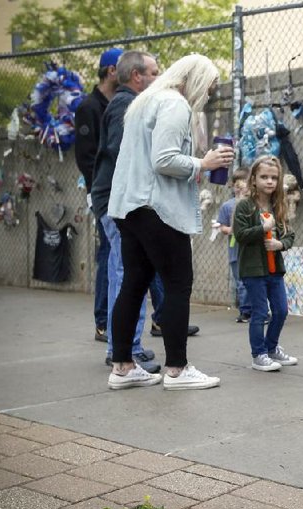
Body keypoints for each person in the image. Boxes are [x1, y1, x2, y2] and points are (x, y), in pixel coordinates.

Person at [106, 54, 232, 391]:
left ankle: (122, 366)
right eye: (208, 86)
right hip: (156, 208)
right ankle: (177, 368)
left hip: (128, 205)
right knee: (178, 283)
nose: (208, 93)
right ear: (194, 80)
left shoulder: (144, 102)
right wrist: (202, 163)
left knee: (134, 282)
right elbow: (164, 160)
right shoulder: (175, 104)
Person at [91, 50, 161, 373]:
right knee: (126, 272)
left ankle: (121, 346)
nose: (158, 79)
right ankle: (125, 348)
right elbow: (124, 154)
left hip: (111, 200)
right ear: (137, 76)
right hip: (116, 202)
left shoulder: (123, 104)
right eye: (154, 73)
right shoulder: (125, 105)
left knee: (122, 270)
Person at [233, 155, 298, 371]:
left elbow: (290, 235)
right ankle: (258, 354)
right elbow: (240, 234)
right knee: (260, 313)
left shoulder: (278, 205)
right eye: (264, 177)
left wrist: (280, 244)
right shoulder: (245, 206)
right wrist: (263, 228)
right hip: (253, 270)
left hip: (274, 269)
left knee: (280, 311)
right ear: (253, 179)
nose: (269, 181)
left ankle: (271, 348)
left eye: (273, 177)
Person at [75, 47, 122, 344]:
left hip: (125, 192)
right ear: (111, 71)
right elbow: (85, 156)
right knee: (108, 253)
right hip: (104, 194)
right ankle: (103, 323)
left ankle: (160, 318)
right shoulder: (89, 107)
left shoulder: (119, 103)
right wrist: (101, 189)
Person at [216, 168, 253, 323]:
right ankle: (246, 311)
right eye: (238, 184)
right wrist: (233, 230)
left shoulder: (253, 204)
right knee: (241, 280)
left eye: (244, 184)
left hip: (251, 249)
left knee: (251, 280)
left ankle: (253, 309)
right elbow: (221, 226)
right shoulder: (228, 206)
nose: (240, 188)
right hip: (236, 249)